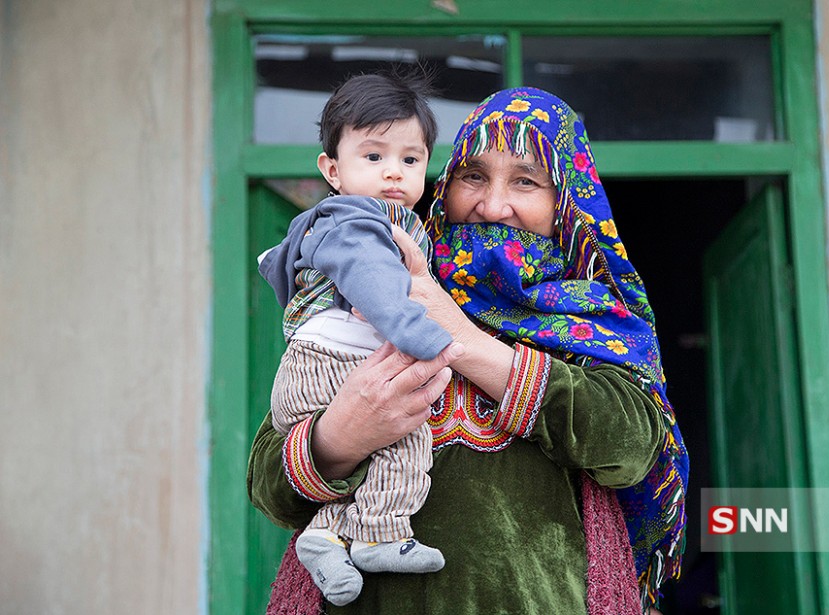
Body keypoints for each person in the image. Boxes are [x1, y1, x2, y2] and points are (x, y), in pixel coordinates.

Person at [248, 86, 689, 614]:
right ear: (446, 184)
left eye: (525, 181)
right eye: (473, 176)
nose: (492, 204)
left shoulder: (593, 318)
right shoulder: (373, 280)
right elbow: (269, 485)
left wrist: (462, 339)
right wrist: (342, 433)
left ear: (564, 200)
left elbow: (631, 448)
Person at [256, 70, 453, 606]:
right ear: (332, 169)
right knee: (409, 432)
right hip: (338, 361)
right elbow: (374, 284)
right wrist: (421, 334)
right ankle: (378, 532)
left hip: (315, 361)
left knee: (384, 442)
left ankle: (326, 534)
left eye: (410, 160)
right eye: (374, 157)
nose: (394, 173)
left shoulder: (335, 219)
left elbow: (282, 267)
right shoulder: (365, 221)